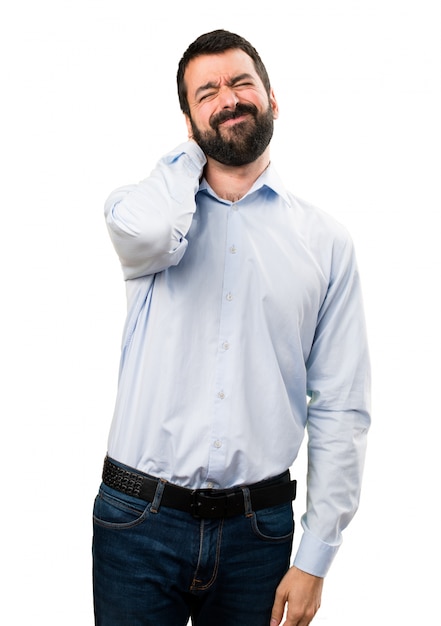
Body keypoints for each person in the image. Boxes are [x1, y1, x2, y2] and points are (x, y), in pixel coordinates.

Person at [93, 29, 371, 626]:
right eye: (207, 93)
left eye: (242, 83)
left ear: (273, 99)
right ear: (188, 122)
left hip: (258, 534)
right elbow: (146, 236)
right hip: (138, 522)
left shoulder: (324, 241)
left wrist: (317, 556)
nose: (229, 98)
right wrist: (191, 156)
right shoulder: (146, 212)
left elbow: (341, 405)